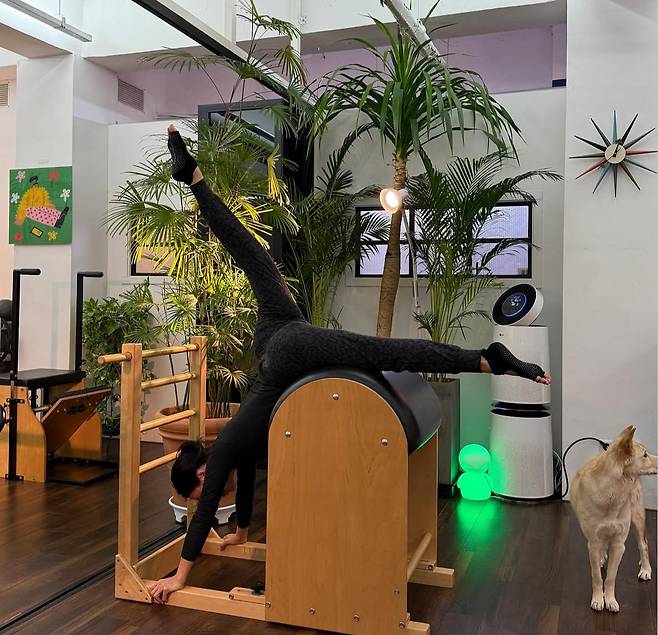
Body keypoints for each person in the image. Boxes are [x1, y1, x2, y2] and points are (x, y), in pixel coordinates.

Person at [147, 126, 551, 604]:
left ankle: (485, 359)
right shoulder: (232, 447)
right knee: (249, 253)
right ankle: (193, 176)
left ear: (199, 477)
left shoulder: (219, 458)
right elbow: (248, 471)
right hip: (276, 328)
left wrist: (179, 578)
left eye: (200, 494)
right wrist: (241, 530)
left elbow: (204, 514)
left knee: (382, 351)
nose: (209, 498)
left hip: (288, 348)